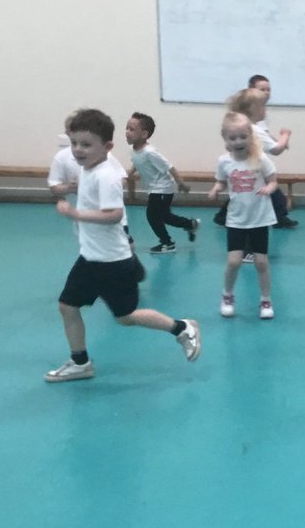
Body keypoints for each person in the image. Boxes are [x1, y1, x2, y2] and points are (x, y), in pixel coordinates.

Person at [45, 109, 200, 382]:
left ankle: (182, 328)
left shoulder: (105, 175)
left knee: (126, 316)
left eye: (86, 144)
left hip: (112, 262)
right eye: (75, 144)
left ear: (107, 147)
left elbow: (114, 214)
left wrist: (76, 214)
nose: (78, 150)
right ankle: (80, 362)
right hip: (90, 258)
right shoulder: (87, 170)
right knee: (67, 306)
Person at [48, 110, 145, 282]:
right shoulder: (64, 159)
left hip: (102, 218)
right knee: (92, 249)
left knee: (122, 247)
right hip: (83, 218)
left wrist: (105, 191)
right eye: (73, 141)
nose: (78, 148)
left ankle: (130, 267)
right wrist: (69, 189)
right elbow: (55, 187)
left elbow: (121, 179)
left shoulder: (104, 162)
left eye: (85, 143)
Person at [208, 111, 279, 320]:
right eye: (233, 138)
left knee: (261, 262)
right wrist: (215, 189)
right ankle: (227, 295)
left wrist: (269, 188)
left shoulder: (260, 159)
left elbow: (273, 180)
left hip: (260, 217)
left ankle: (266, 299)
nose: (238, 141)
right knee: (233, 261)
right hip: (236, 219)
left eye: (243, 136)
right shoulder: (224, 162)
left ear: (250, 135)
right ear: (225, 139)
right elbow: (221, 181)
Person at [124, 112, 199, 253]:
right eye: (127, 128)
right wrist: (128, 175)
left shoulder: (150, 152)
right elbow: (136, 163)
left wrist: (181, 183)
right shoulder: (134, 150)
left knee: (152, 216)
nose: (127, 132)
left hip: (163, 189)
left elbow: (169, 167)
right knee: (165, 216)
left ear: (144, 134)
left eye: (132, 129)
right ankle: (190, 224)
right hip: (155, 189)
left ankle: (168, 243)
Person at [245, 75, 299, 229]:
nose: (266, 93)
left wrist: (277, 140)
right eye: (262, 90)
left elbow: (265, 136)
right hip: (253, 164)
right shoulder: (252, 121)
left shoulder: (256, 117)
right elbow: (275, 150)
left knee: (255, 190)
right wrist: (285, 136)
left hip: (256, 163)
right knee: (269, 193)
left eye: (268, 89)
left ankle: (279, 218)